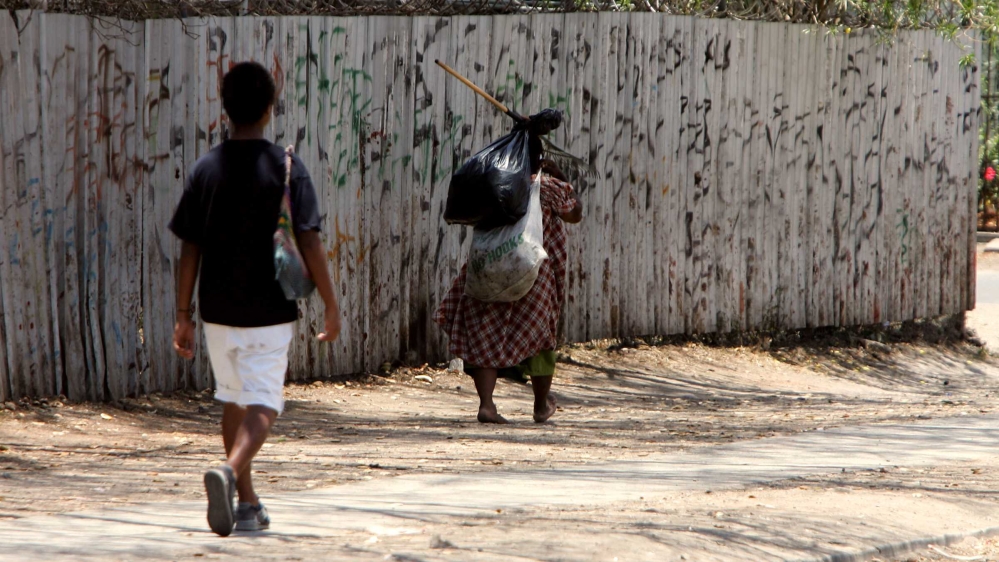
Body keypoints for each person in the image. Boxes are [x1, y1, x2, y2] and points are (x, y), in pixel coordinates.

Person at [169, 61, 341, 536]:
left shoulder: (206, 168)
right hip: (268, 310)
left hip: (217, 311)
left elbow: (190, 247)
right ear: (270, 108)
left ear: (225, 109)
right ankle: (227, 472)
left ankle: (246, 503)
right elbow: (309, 241)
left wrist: (182, 315)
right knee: (264, 403)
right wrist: (330, 302)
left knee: (233, 398)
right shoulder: (286, 167)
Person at [434, 153, 583, 424]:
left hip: (487, 269)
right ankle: (540, 406)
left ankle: (487, 405)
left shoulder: (488, 184)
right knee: (540, 338)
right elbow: (575, 213)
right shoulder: (547, 188)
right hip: (532, 273)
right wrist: (560, 175)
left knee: (483, 334)